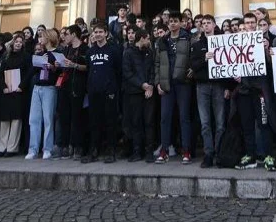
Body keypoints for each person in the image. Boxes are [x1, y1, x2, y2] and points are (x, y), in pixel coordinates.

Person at [155, 11, 194, 164]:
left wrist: (192, 70)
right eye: (170, 21)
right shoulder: (162, 41)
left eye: (175, 21)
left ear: (181, 22)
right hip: (166, 84)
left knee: (184, 118)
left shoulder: (188, 38)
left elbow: (193, 57)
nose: (172, 23)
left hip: (183, 83)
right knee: (164, 118)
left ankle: (186, 151)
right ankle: (164, 151)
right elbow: (157, 63)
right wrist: (158, 82)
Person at [238, 28, 276, 172]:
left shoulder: (263, 44)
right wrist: (235, 76)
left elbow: (271, 68)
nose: (246, 28)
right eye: (244, 26)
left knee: (264, 124)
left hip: (260, 92)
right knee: (247, 125)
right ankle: (250, 156)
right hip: (243, 93)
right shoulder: (235, 46)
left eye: (250, 24)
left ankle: (268, 156)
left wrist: (268, 52)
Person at [191, 14, 226, 168]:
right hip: (202, 86)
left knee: (220, 123)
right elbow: (193, 66)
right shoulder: (197, 45)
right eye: (203, 23)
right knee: (205, 123)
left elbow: (228, 65)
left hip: (218, 86)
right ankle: (208, 154)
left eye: (208, 23)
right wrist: (204, 58)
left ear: (214, 25)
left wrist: (228, 88)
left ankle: (219, 153)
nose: (205, 26)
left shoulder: (223, 43)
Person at [83, 23, 122, 164]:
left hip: (109, 91)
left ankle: (111, 150)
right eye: (96, 32)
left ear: (106, 33)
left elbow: (118, 70)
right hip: (94, 91)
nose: (98, 34)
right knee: (94, 122)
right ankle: (94, 150)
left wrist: (112, 87)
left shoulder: (114, 50)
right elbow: (88, 69)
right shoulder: (90, 52)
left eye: (100, 32)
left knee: (110, 121)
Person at [123, 28, 157, 163]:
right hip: (135, 92)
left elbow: (154, 70)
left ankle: (149, 151)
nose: (149, 41)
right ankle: (137, 151)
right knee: (136, 122)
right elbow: (127, 72)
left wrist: (150, 85)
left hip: (149, 92)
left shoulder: (150, 52)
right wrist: (141, 85)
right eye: (147, 38)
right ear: (141, 38)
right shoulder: (128, 53)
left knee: (149, 122)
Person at [27, 29, 61, 160]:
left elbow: (59, 71)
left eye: (43, 37)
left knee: (48, 119)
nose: (40, 39)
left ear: (49, 38)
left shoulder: (57, 53)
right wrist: (40, 62)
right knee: (34, 119)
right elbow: (33, 70)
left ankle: (47, 149)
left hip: (49, 88)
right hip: (37, 87)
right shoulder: (41, 53)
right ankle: (33, 149)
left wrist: (53, 67)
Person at [0, 34, 31, 157]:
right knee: (5, 119)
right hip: (6, 91)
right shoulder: (6, 56)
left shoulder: (26, 57)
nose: (18, 43)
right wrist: (4, 87)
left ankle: (12, 148)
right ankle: (2, 147)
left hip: (19, 91)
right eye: (16, 41)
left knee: (16, 119)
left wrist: (22, 86)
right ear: (12, 43)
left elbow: (28, 73)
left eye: (21, 42)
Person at [57, 25, 88, 160]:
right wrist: (58, 65)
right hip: (65, 85)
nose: (65, 36)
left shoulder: (84, 49)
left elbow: (88, 67)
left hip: (78, 85)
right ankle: (65, 145)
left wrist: (74, 65)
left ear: (74, 34)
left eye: (67, 34)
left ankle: (77, 146)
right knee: (65, 116)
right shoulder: (66, 49)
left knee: (77, 117)